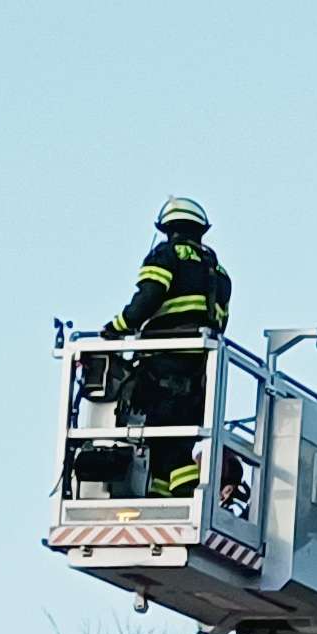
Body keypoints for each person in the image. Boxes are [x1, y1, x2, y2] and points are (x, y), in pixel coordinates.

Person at [103, 197, 232, 495]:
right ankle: (162, 498)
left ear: (168, 228)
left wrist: (117, 328)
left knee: (165, 443)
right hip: (199, 371)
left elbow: (148, 298)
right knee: (173, 444)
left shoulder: (165, 255)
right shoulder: (219, 272)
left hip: (165, 364)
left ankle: (186, 495)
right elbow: (221, 322)